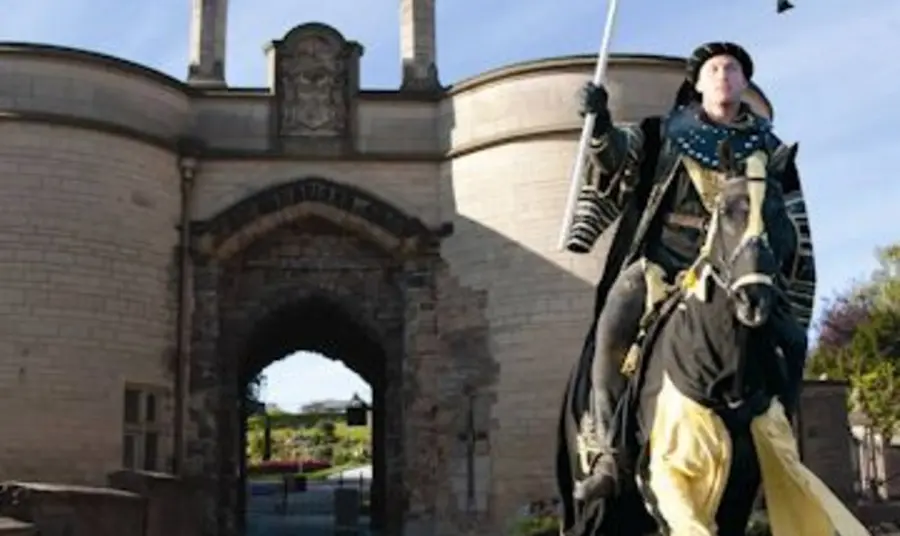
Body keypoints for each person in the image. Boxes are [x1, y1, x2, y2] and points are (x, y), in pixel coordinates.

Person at [558, 41, 816, 508]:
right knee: (613, 322)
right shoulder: (663, 132)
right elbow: (617, 159)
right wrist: (599, 122)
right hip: (665, 266)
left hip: (739, 271)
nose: (724, 75)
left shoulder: (771, 150)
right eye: (714, 69)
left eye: (733, 69)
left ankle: (779, 443)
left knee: (794, 341)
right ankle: (609, 456)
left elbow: (788, 218)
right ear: (697, 83)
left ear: (744, 83)